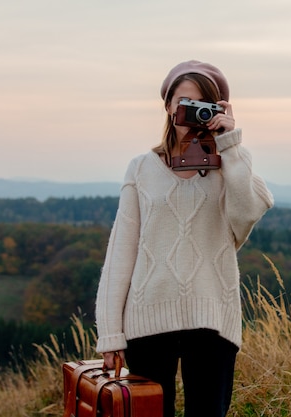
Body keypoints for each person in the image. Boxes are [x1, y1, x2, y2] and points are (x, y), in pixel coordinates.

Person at [94, 60, 274, 417]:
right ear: (167, 106)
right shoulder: (141, 168)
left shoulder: (232, 162)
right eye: (183, 103)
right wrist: (111, 334)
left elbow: (248, 213)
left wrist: (230, 145)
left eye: (202, 105)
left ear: (217, 110)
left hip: (212, 320)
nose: (191, 113)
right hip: (147, 320)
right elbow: (121, 253)